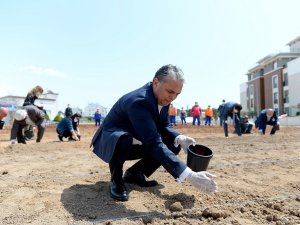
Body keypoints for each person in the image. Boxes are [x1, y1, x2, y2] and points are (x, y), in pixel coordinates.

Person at [90, 64, 217, 201]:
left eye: (177, 93)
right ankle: (116, 180)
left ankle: (135, 173)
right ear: (156, 82)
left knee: (173, 143)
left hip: (137, 138)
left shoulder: (163, 97)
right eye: (170, 92)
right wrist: (189, 175)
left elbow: (164, 125)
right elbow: (153, 142)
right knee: (122, 139)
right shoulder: (138, 101)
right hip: (112, 142)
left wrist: (179, 137)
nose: (173, 97)